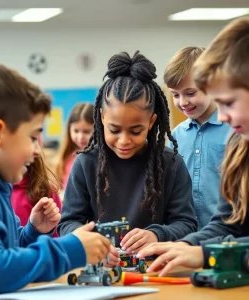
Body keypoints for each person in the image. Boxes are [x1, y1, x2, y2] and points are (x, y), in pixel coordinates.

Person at [0, 63, 110, 299]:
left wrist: (31, 233)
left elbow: (6, 254)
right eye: (33, 137)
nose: (37, 150)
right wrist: (70, 250)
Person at [57, 51, 197, 266]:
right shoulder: (85, 163)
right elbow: (68, 223)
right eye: (114, 130)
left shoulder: (171, 164)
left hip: (155, 268)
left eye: (135, 131)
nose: (123, 141)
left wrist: (157, 235)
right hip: (102, 267)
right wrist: (90, 242)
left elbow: (186, 223)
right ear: (102, 118)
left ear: (151, 122)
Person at [137, 17, 249, 276]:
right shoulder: (241, 149)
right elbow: (228, 223)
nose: (221, 118)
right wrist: (186, 246)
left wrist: (205, 253)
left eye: (229, 103)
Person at [164, 46, 231, 229]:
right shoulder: (176, 135)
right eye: (175, 95)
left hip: (229, 235)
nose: (183, 102)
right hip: (188, 236)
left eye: (190, 93)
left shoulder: (234, 130)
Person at [12, 133, 62, 237]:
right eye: (32, 139)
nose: (38, 150)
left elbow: (57, 236)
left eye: (36, 139)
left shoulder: (44, 190)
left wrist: (36, 230)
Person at [56, 103, 94, 190]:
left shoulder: (99, 159)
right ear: (69, 129)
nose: (80, 137)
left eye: (87, 131)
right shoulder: (67, 158)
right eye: (76, 131)